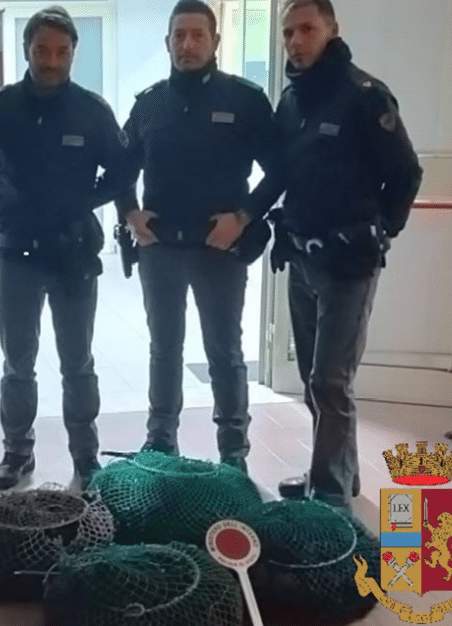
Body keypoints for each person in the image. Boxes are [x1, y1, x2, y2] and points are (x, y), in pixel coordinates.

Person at [250, 0, 422, 511]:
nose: (295, 41)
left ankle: (329, 497)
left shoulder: (364, 96)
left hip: (349, 263)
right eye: (287, 33)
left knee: (331, 380)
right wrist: (246, 213)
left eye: (306, 29)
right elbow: (280, 175)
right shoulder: (291, 101)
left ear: (331, 30)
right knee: (314, 380)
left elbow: (406, 173)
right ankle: (340, 474)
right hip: (301, 257)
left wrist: (381, 230)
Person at [0, 5, 131, 491]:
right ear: (27, 50)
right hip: (16, 254)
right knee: (18, 364)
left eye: (61, 51)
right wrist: (2, 199)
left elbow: (122, 170)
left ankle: (86, 456)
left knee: (78, 364)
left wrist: (86, 201)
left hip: (74, 254)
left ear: (73, 53)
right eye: (42, 50)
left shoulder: (93, 111)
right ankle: (17, 452)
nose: (52, 60)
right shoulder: (0, 107)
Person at [115, 0, 277, 473]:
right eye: (179, 36)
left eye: (197, 35)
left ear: (215, 41)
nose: (187, 45)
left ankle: (233, 452)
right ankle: (160, 442)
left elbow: (279, 171)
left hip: (219, 247)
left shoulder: (245, 101)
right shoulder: (149, 104)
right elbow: (121, 168)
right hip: (160, 248)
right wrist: (130, 213)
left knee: (224, 351)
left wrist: (244, 217)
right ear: (167, 42)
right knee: (164, 349)